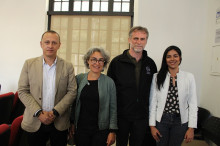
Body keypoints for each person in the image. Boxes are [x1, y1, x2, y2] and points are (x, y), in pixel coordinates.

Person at [18, 30, 77, 146]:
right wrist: (39, 113)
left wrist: (55, 112)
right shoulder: (29, 64)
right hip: (34, 121)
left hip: (59, 122)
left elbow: (72, 91)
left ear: (59, 45)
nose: (50, 46)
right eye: (47, 42)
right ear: (41, 44)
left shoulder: (68, 66)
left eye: (54, 43)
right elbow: (22, 91)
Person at [107, 26, 157, 146]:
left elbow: (154, 92)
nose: (138, 42)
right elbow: (110, 91)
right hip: (122, 115)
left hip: (141, 117)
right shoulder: (117, 62)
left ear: (146, 41)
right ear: (129, 40)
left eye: (142, 39)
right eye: (135, 38)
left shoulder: (150, 64)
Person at [149, 45, 198, 146]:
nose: (172, 59)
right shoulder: (157, 77)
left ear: (180, 58)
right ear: (165, 59)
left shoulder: (189, 77)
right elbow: (152, 103)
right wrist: (152, 126)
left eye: (175, 56)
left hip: (180, 122)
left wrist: (191, 128)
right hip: (162, 120)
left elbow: (193, 104)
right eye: (169, 56)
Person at [70, 47, 118, 146]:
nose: (97, 63)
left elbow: (113, 108)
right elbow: (73, 104)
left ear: (104, 63)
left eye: (101, 60)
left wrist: (112, 131)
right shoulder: (79, 79)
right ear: (88, 61)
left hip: (101, 131)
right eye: (93, 59)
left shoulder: (109, 82)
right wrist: (72, 123)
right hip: (81, 130)